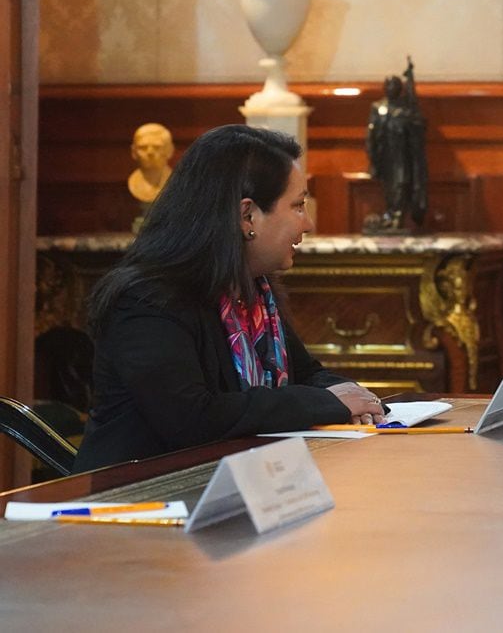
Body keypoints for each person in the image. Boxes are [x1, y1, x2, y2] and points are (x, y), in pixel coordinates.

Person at [73, 125, 385, 472]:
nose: (308, 223)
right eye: (297, 206)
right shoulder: (147, 300)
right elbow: (192, 419)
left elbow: (307, 374)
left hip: (236, 488)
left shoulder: (254, 291)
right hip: (135, 502)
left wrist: (354, 396)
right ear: (246, 215)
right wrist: (327, 402)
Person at [365, 57, 428, 231]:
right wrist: (373, 159)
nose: (391, 87)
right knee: (389, 187)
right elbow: (372, 135)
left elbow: (417, 125)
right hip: (385, 156)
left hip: (402, 156)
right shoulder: (378, 107)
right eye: (388, 84)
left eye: (394, 84)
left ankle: (397, 216)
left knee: (402, 184)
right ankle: (391, 214)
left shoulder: (405, 109)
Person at [126, 122, 175, 203]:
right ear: (134, 152)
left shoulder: (177, 184)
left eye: (157, 147)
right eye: (143, 147)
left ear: (170, 150)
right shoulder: (130, 186)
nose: (150, 152)